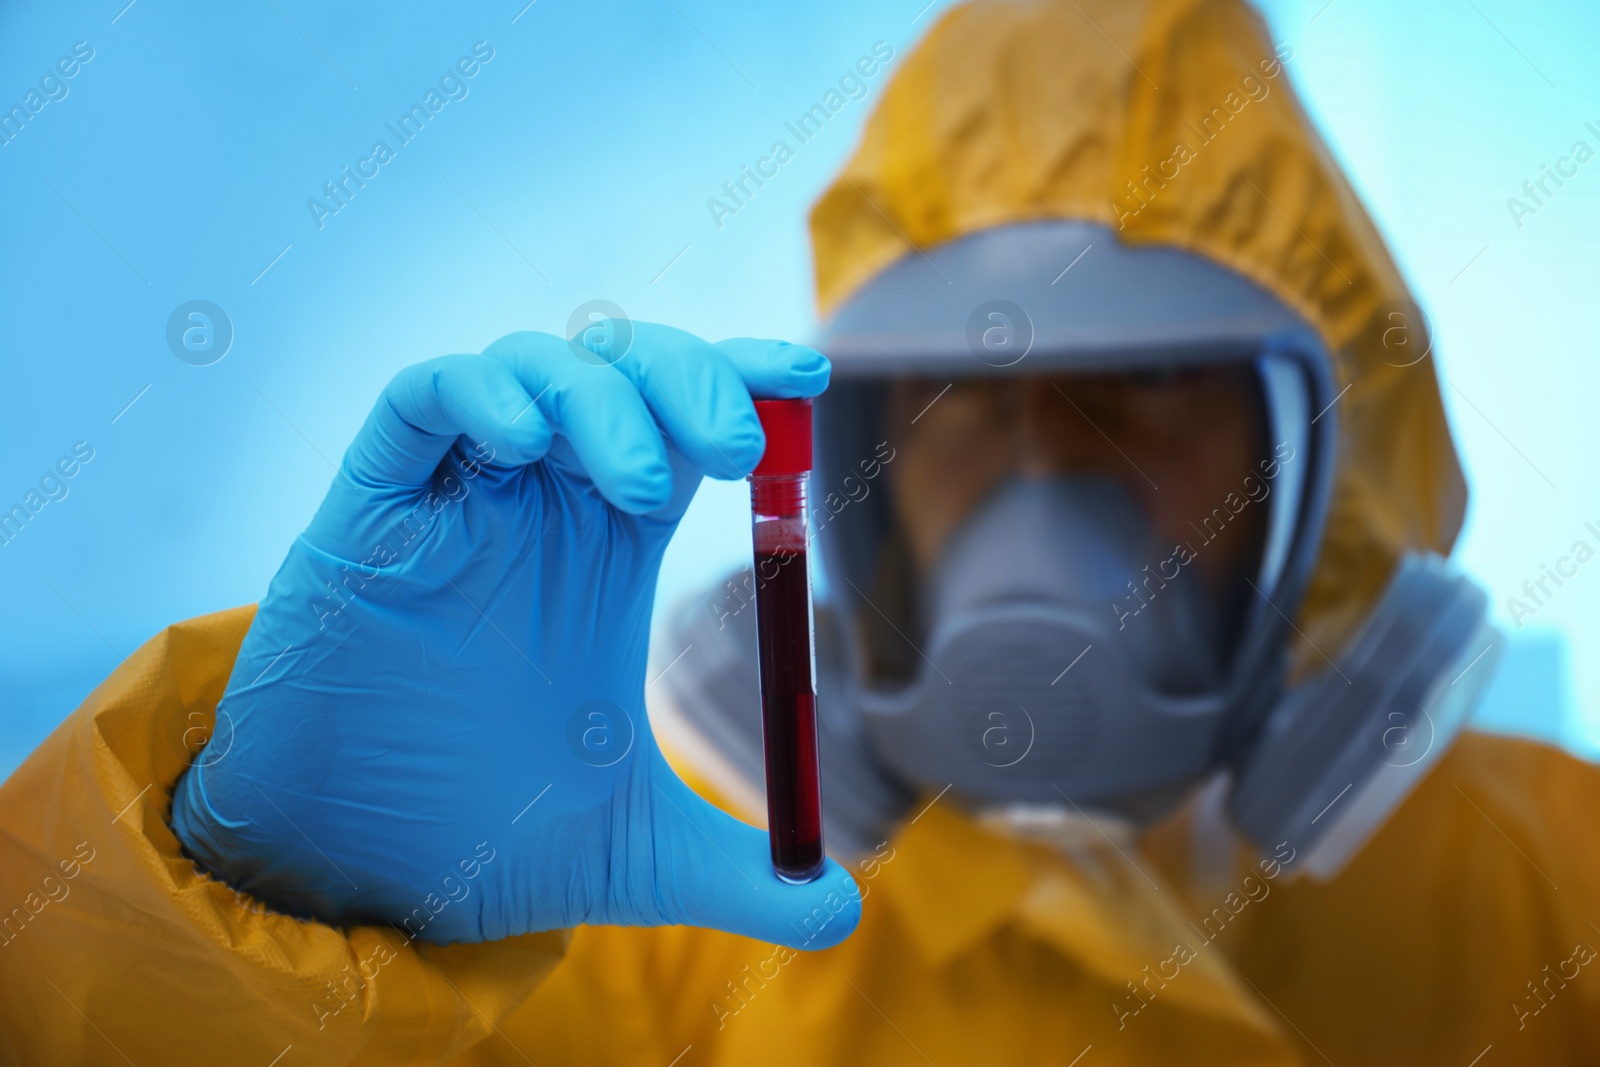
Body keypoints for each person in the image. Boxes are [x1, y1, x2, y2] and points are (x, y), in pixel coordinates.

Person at [1, 0, 1596, 1063]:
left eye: (1154, 393)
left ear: (1329, 470)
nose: (1042, 497)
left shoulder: (1557, 898)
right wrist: (240, 900)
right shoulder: (655, 926)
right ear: (851, 471)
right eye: (965, 411)